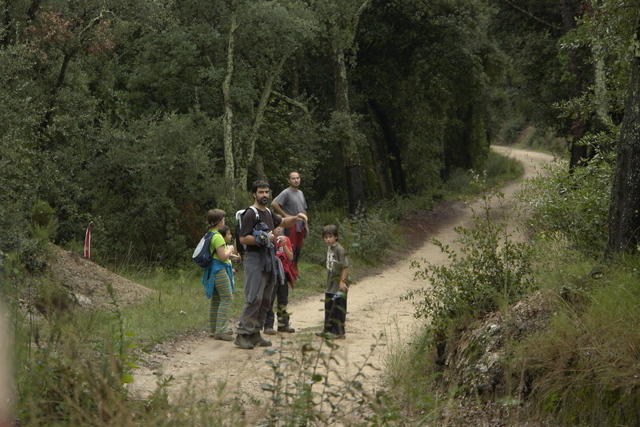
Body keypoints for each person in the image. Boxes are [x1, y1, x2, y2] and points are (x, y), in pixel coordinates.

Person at [235, 180, 307, 349]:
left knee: (266, 299)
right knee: (254, 298)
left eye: (267, 192)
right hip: (254, 260)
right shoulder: (251, 213)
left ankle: (255, 333)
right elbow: (243, 238)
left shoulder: (267, 212)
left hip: (269, 259)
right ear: (254, 194)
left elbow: (282, 222)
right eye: (261, 192)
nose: (264, 195)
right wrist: (264, 238)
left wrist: (297, 218)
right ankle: (242, 334)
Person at [201, 209, 236, 341]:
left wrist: (230, 254)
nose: (224, 222)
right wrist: (231, 249)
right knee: (227, 297)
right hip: (219, 270)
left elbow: (216, 253)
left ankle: (213, 329)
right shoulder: (217, 236)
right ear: (219, 221)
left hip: (212, 271)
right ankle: (221, 330)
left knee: (216, 300)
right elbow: (222, 256)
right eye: (223, 219)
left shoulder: (209, 234)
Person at [271, 171, 308, 278]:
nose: (296, 180)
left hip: (300, 226)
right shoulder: (286, 192)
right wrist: (285, 215)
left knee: (298, 249)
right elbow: (274, 203)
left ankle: (295, 271)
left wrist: (306, 223)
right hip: (290, 226)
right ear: (289, 180)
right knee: (290, 248)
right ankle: (288, 272)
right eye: (293, 178)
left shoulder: (300, 193)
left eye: (297, 178)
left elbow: (304, 209)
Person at [316, 224, 349, 339]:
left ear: (336, 237)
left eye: (330, 236)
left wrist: (342, 282)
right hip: (330, 286)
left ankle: (339, 332)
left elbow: (345, 267)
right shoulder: (330, 248)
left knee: (338, 308)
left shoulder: (340, 249)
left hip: (338, 286)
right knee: (329, 307)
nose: (328, 239)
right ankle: (328, 330)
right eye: (325, 237)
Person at [263, 226, 296, 335]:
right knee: (270, 300)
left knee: (283, 300)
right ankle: (268, 325)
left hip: (284, 274)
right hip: (272, 273)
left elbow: (291, 257)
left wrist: (284, 246)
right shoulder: (269, 239)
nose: (279, 229)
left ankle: (283, 325)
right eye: (276, 227)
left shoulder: (285, 239)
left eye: (280, 226)